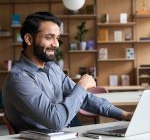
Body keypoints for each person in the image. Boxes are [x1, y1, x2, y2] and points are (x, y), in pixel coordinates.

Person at [2, 12, 132, 133]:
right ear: (29, 39)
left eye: (57, 38)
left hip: (68, 132)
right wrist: (81, 86)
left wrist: (124, 115)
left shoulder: (52, 68)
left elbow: (84, 99)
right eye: (49, 37)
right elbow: (56, 121)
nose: (56, 44)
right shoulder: (18, 79)